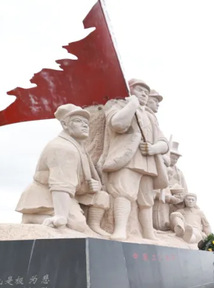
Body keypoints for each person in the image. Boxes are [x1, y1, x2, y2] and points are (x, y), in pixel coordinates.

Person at [16, 104, 110, 237]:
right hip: (47, 193)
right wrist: (61, 216)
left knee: (102, 196)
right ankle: (32, 217)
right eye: (78, 121)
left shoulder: (79, 148)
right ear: (65, 125)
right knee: (77, 225)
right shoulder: (62, 148)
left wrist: (93, 186)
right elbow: (61, 185)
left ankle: (94, 226)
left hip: (73, 192)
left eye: (86, 122)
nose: (85, 125)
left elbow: (82, 178)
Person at [100, 79, 170, 240]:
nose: (144, 94)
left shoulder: (150, 116)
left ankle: (148, 232)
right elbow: (117, 124)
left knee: (147, 200)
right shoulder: (117, 105)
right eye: (139, 90)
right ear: (129, 90)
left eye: (146, 92)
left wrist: (154, 148)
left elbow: (163, 142)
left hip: (148, 163)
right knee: (123, 193)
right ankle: (120, 230)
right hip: (127, 159)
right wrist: (132, 104)